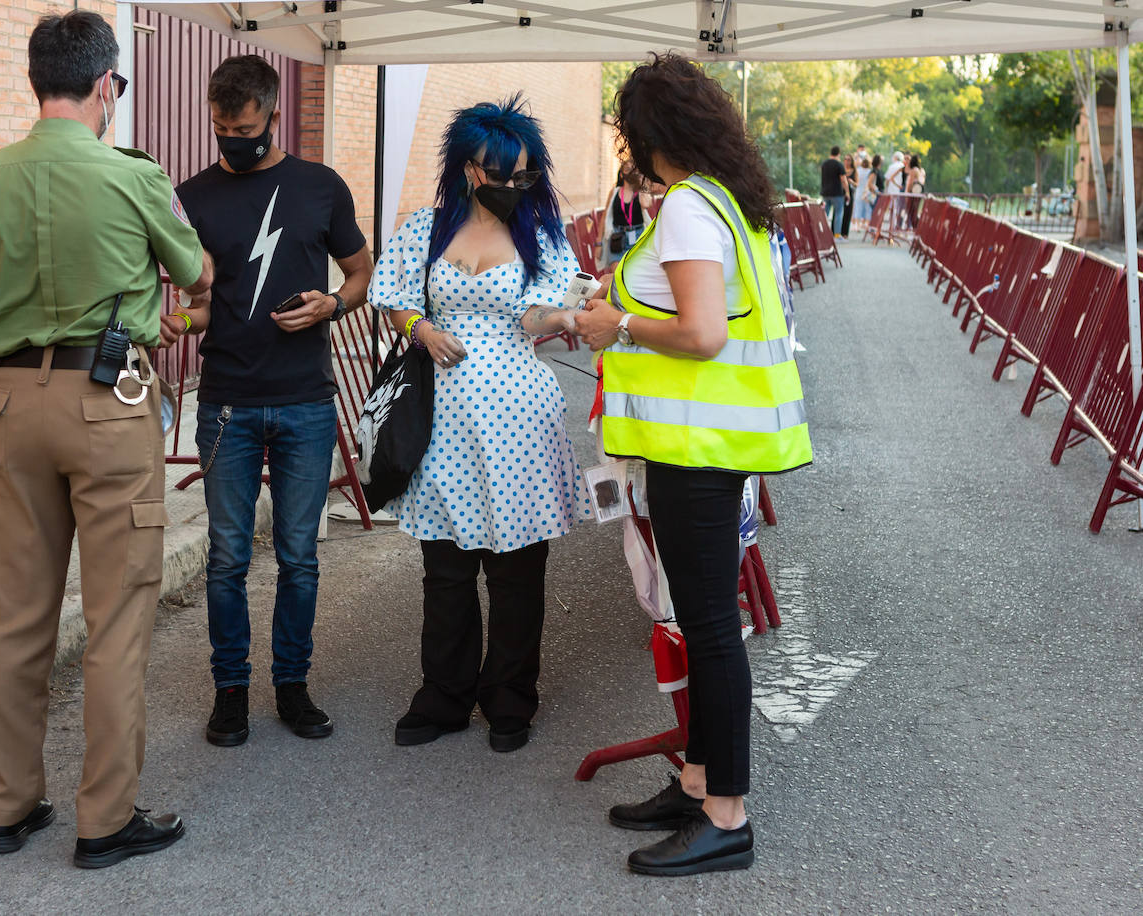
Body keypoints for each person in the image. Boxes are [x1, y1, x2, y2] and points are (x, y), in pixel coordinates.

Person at [0, 10, 213, 868]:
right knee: (118, 614)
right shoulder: (134, 176)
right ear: (104, 86)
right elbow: (198, 276)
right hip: (108, 400)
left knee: (13, 614)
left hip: (10, 404)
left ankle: (6, 810)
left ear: (33, 82)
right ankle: (104, 817)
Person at [573, 53, 812, 877]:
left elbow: (703, 333)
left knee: (709, 630)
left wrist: (619, 327)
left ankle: (727, 817)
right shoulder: (727, 203)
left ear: (650, 134)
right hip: (716, 444)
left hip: (695, 449)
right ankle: (701, 780)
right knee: (709, 624)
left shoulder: (685, 209)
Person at [368, 97, 592, 754]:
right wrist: (422, 327)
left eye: (525, 174)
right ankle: (443, 694)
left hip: (520, 414)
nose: (517, 186)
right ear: (469, 169)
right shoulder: (424, 229)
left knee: (518, 568)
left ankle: (511, 697)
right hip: (441, 416)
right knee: (446, 564)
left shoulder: (542, 234)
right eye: (504, 174)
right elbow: (393, 301)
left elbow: (544, 316)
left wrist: (572, 312)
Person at [175, 55, 373, 749]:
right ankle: (230, 693)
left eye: (245, 126)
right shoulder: (192, 195)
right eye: (221, 126)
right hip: (226, 400)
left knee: (299, 556)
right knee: (227, 557)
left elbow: (359, 273)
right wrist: (182, 322)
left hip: (304, 403)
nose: (232, 138)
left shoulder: (319, 187)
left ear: (273, 115)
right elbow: (204, 304)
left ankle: (292, 687)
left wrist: (330, 305)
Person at [600, 163, 651, 271]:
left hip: (638, 236)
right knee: (617, 273)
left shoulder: (641, 191)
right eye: (628, 169)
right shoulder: (614, 192)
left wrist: (643, 182)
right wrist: (598, 243)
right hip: (617, 237)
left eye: (634, 170)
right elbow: (604, 217)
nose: (631, 172)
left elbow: (646, 204)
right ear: (622, 174)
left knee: (635, 273)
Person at [820, 145, 846, 236]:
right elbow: (843, 180)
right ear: (839, 154)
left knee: (825, 214)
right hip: (837, 193)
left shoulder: (824, 164)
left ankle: (824, 234)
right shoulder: (839, 165)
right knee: (838, 214)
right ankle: (837, 235)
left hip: (825, 193)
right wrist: (847, 192)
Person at [905, 153, 926, 228]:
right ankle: (916, 227)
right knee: (916, 211)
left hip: (912, 193)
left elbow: (910, 183)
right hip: (920, 193)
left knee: (910, 211)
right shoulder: (922, 170)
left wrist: (907, 193)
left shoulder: (914, 170)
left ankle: (913, 227)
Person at [852, 156, 873, 232]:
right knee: (867, 209)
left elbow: (855, 182)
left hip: (859, 191)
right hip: (867, 192)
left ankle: (857, 225)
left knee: (858, 209)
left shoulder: (858, 170)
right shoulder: (870, 171)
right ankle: (866, 224)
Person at [840, 152, 857, 239]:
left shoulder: (854, 171)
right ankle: (837, 232)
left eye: (849, 160)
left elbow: (857, 184)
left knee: (848, 213)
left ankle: (845, 233)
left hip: (850, 193)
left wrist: (852, 182)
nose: (847, 161)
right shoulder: (841, 169)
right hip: (840, 193)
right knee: (839, 213)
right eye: (845, 159)